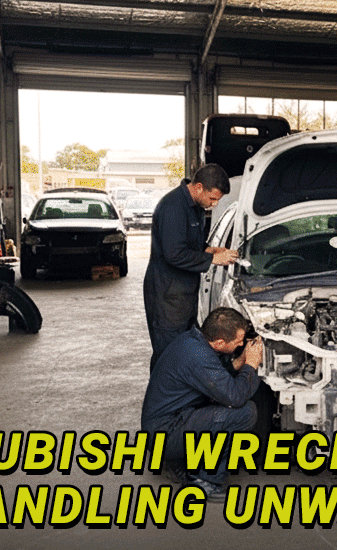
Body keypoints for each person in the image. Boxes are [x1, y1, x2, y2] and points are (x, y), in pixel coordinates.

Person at [141, 307, 262, 502]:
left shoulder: (194, 342)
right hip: (166, 434)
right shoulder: (197, 357)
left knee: (226, 406)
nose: (242, 343)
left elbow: (217, 378)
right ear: (220, 342)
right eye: (239, 341)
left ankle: (182, 461)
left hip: (169, 423)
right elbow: (235, 396)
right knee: (245, 413)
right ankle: (207, 482)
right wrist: (251, 365)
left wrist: (240, 361)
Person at [144, 164, 239, 370]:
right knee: (168, 356)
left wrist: (209, 250)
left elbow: (189, 245)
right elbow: (174, 254)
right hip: (167, 298)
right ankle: (163, 401)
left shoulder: (195, 207)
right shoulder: (173, 208)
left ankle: (181, 400)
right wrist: (213, 260)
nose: (214, 205)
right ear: (198, 187)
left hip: (183, 297)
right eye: (212, 199)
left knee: (183, 353)